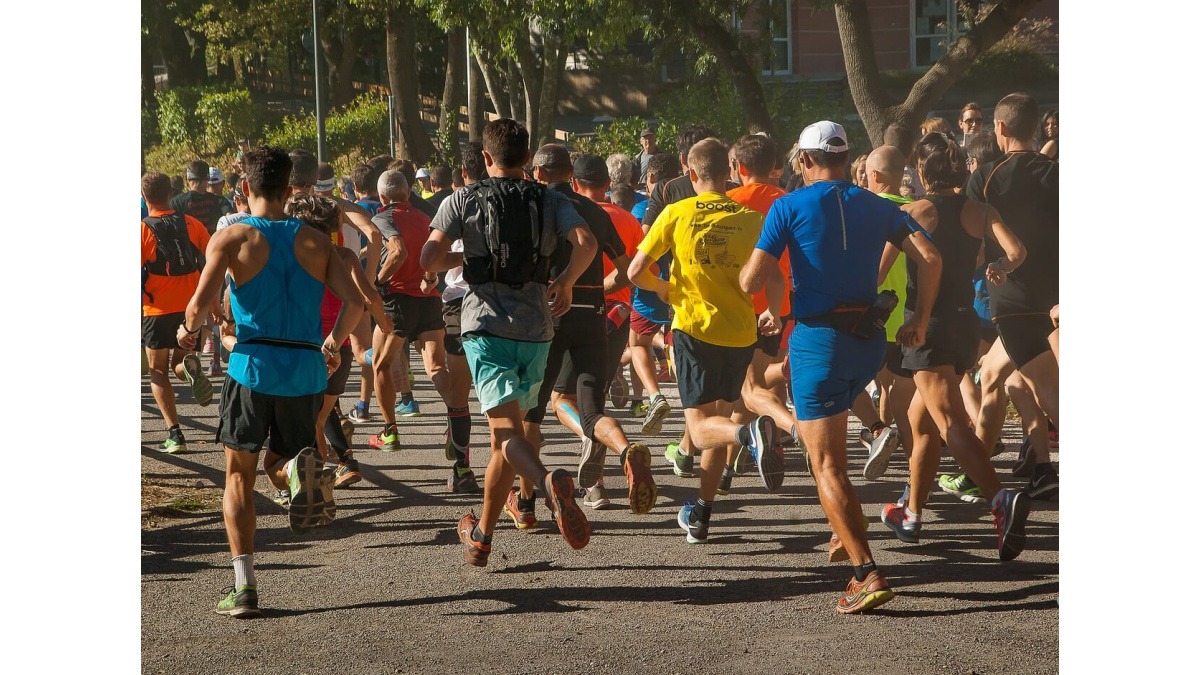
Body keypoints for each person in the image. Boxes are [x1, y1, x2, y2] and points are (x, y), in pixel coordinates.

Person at [740, 120, 944, 614]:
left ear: (806, 160)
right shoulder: (878, 203)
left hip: (819, 342)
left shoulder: (787, 206)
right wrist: (920, 316)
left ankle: (865, 571)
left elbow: (751, 280)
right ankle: (841, 529)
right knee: (828, 454)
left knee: (825, 462)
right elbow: (931, 258)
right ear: (847, 159)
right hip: (870, 342)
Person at [178, 146, 365, 618]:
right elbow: (356, 303)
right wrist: (333, 342)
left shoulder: (232, 237)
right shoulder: (317, 241)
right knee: (283, 461)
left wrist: (188, 332)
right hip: (303, 369)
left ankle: (244, 586)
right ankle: (296, 474)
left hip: (251, 366)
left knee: (238, 474)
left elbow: (200, 307)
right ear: (288, 190)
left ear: (244, 187)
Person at [420, 118, 599, 566]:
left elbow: (431, 255)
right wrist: (567, 280)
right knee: (508, 435)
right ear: (527, 160)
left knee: (504, 435)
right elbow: (587, 242)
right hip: (538, 328)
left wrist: (444, 265)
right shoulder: (550, 198)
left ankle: (547, 485)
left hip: (485, 325)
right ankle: (482, 535)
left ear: (485, 157)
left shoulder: (461, 198)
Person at [877, 132, 1031, 556]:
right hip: (966, 327)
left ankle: (1001, 498)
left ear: (922, 171)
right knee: (921, 422)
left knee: (950, 424)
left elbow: (879, 271)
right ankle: (911, 512)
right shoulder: (981, 212)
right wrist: (996, 266)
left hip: (926, 330)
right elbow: (1016, 251)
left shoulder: (914, 212)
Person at [629, 137, 786, 546]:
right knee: (718, 417)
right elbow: (773, 275)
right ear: (729, 172)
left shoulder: (676, 212)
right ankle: (701, 511)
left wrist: (662, 288)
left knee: (700, 431)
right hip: (740, 332)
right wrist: (774, 310)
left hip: (695, 330)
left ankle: (748, 437)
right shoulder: (751, 218)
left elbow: (635, 271)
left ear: (691, 173)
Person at [518, 145, 655, 520]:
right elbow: (628, 270)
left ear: (540, 174)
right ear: (572, 176)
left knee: (532, 414)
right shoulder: (596, 211)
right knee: (591, 410)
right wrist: (602, 287)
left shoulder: (536, 206)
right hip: (593, 315)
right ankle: (627, 453)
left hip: (548, 315)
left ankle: (527, 503)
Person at [965, 92, 1060, 499]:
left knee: (1052, 392)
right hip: (1054, 294)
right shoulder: (1058, 172)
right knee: (994, 376)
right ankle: (1027, 468)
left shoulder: (985, 175)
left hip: (1013, 299)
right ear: (1037, 127)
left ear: (1000, 128)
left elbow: (974, 243)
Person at [566, 153, 658, 512]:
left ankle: (598, 462)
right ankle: (595, 488)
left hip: (580, 312)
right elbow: (632, 271)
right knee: (594, 399)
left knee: (565, 401)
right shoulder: (628, 218)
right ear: (608, 183)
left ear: (575, 184)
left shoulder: (570, 215)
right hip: (619, 316)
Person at [722, 133, 797, 495]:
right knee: (759, 385)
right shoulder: (792, 202)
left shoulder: (729, 202)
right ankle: (729, 468)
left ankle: (795, 428)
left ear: (741, 167)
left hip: (740, 304)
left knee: (747, 391)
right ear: (774, 166)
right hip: (780, 304)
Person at [141, 172, 213, 454]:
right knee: (178, 363)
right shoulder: (191, 223)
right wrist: (214, 303)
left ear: (145, 197)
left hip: (157, 308)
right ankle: (189, 368)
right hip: (191, 307)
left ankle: (175, 434)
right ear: (171, 193)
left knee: (158, 371)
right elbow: (213, 257)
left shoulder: (142, 230)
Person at [438, 142, 487, 493]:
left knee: (460, 392)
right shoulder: (513, 198)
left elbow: (435, 256)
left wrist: (467, 260)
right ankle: (523, 483)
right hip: (504, 302)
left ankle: (463, 468)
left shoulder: (455, 201)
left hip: (460, 301)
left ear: (463, 170)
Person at [170, 159, 234, 234]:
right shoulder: (220, 201)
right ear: (208, 179)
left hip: (187, 245)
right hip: (214, 244)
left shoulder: (176, 202)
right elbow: (231, 220)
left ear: (187, 180)